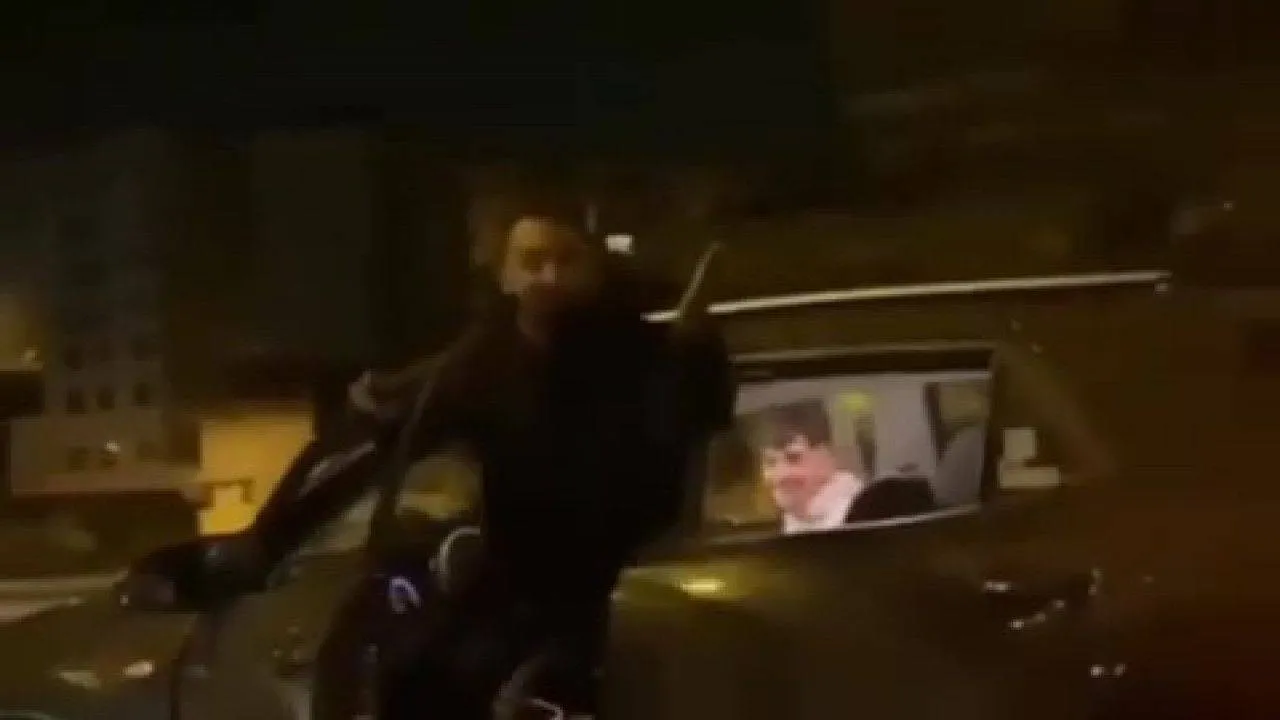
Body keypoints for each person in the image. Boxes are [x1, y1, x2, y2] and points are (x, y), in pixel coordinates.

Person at [252, 194, 734, 719]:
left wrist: (698, 356)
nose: (549, 277)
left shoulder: (646, 359)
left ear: (594, 271)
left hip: (623, 590)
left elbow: (694, 437)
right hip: (512, 599)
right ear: (505, 275)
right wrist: (270, 537)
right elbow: (373, 449)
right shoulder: (472, 371)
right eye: (533, 261)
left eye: (566, 260)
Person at [751, 400, 936, 535]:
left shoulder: (861, 521)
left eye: (794, 458)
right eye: (770, 462)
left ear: (828, 456)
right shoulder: (792, 526)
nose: (779, 475)